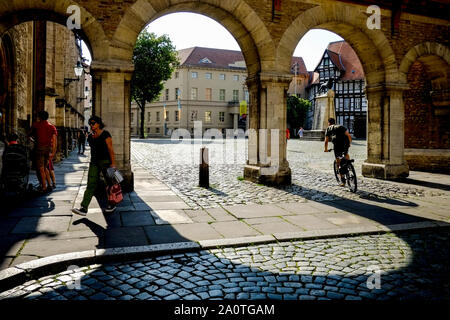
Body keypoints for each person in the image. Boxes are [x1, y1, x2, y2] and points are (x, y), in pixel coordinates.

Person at [72, 116, 117, 216]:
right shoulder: (91, 136)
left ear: (98, 124)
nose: (91, 125)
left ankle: (112, 204)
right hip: (94, 162)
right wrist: (89, 136)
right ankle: (84, 208)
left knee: (109, 184)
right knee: (90, 184)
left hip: (106, 162)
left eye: (93, 123)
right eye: (90, 123)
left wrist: (113, 164)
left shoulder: (105, 134)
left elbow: (111, 150)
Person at [31, 110, 57, 193]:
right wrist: (53, 152)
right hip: (48, 149)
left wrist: (34, 140)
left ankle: (44, 186)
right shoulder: (51, 127)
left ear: (39, 117)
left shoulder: (36, 125)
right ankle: (49, 184)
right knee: (45, 168)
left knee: (41, 168)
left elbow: (29, 135)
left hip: (39, 149)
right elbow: (54, 140)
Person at [324, 117, 352, 186]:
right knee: (346, 154)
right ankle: (348, 164)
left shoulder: (329, 128)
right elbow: (348, 135)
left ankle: (342, 180)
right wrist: (349, 143)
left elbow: (326, 141)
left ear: (329, 123)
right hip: (345, 142)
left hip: (337, 144)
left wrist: (326, 149)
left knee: (338, 160)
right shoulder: (340, 126)